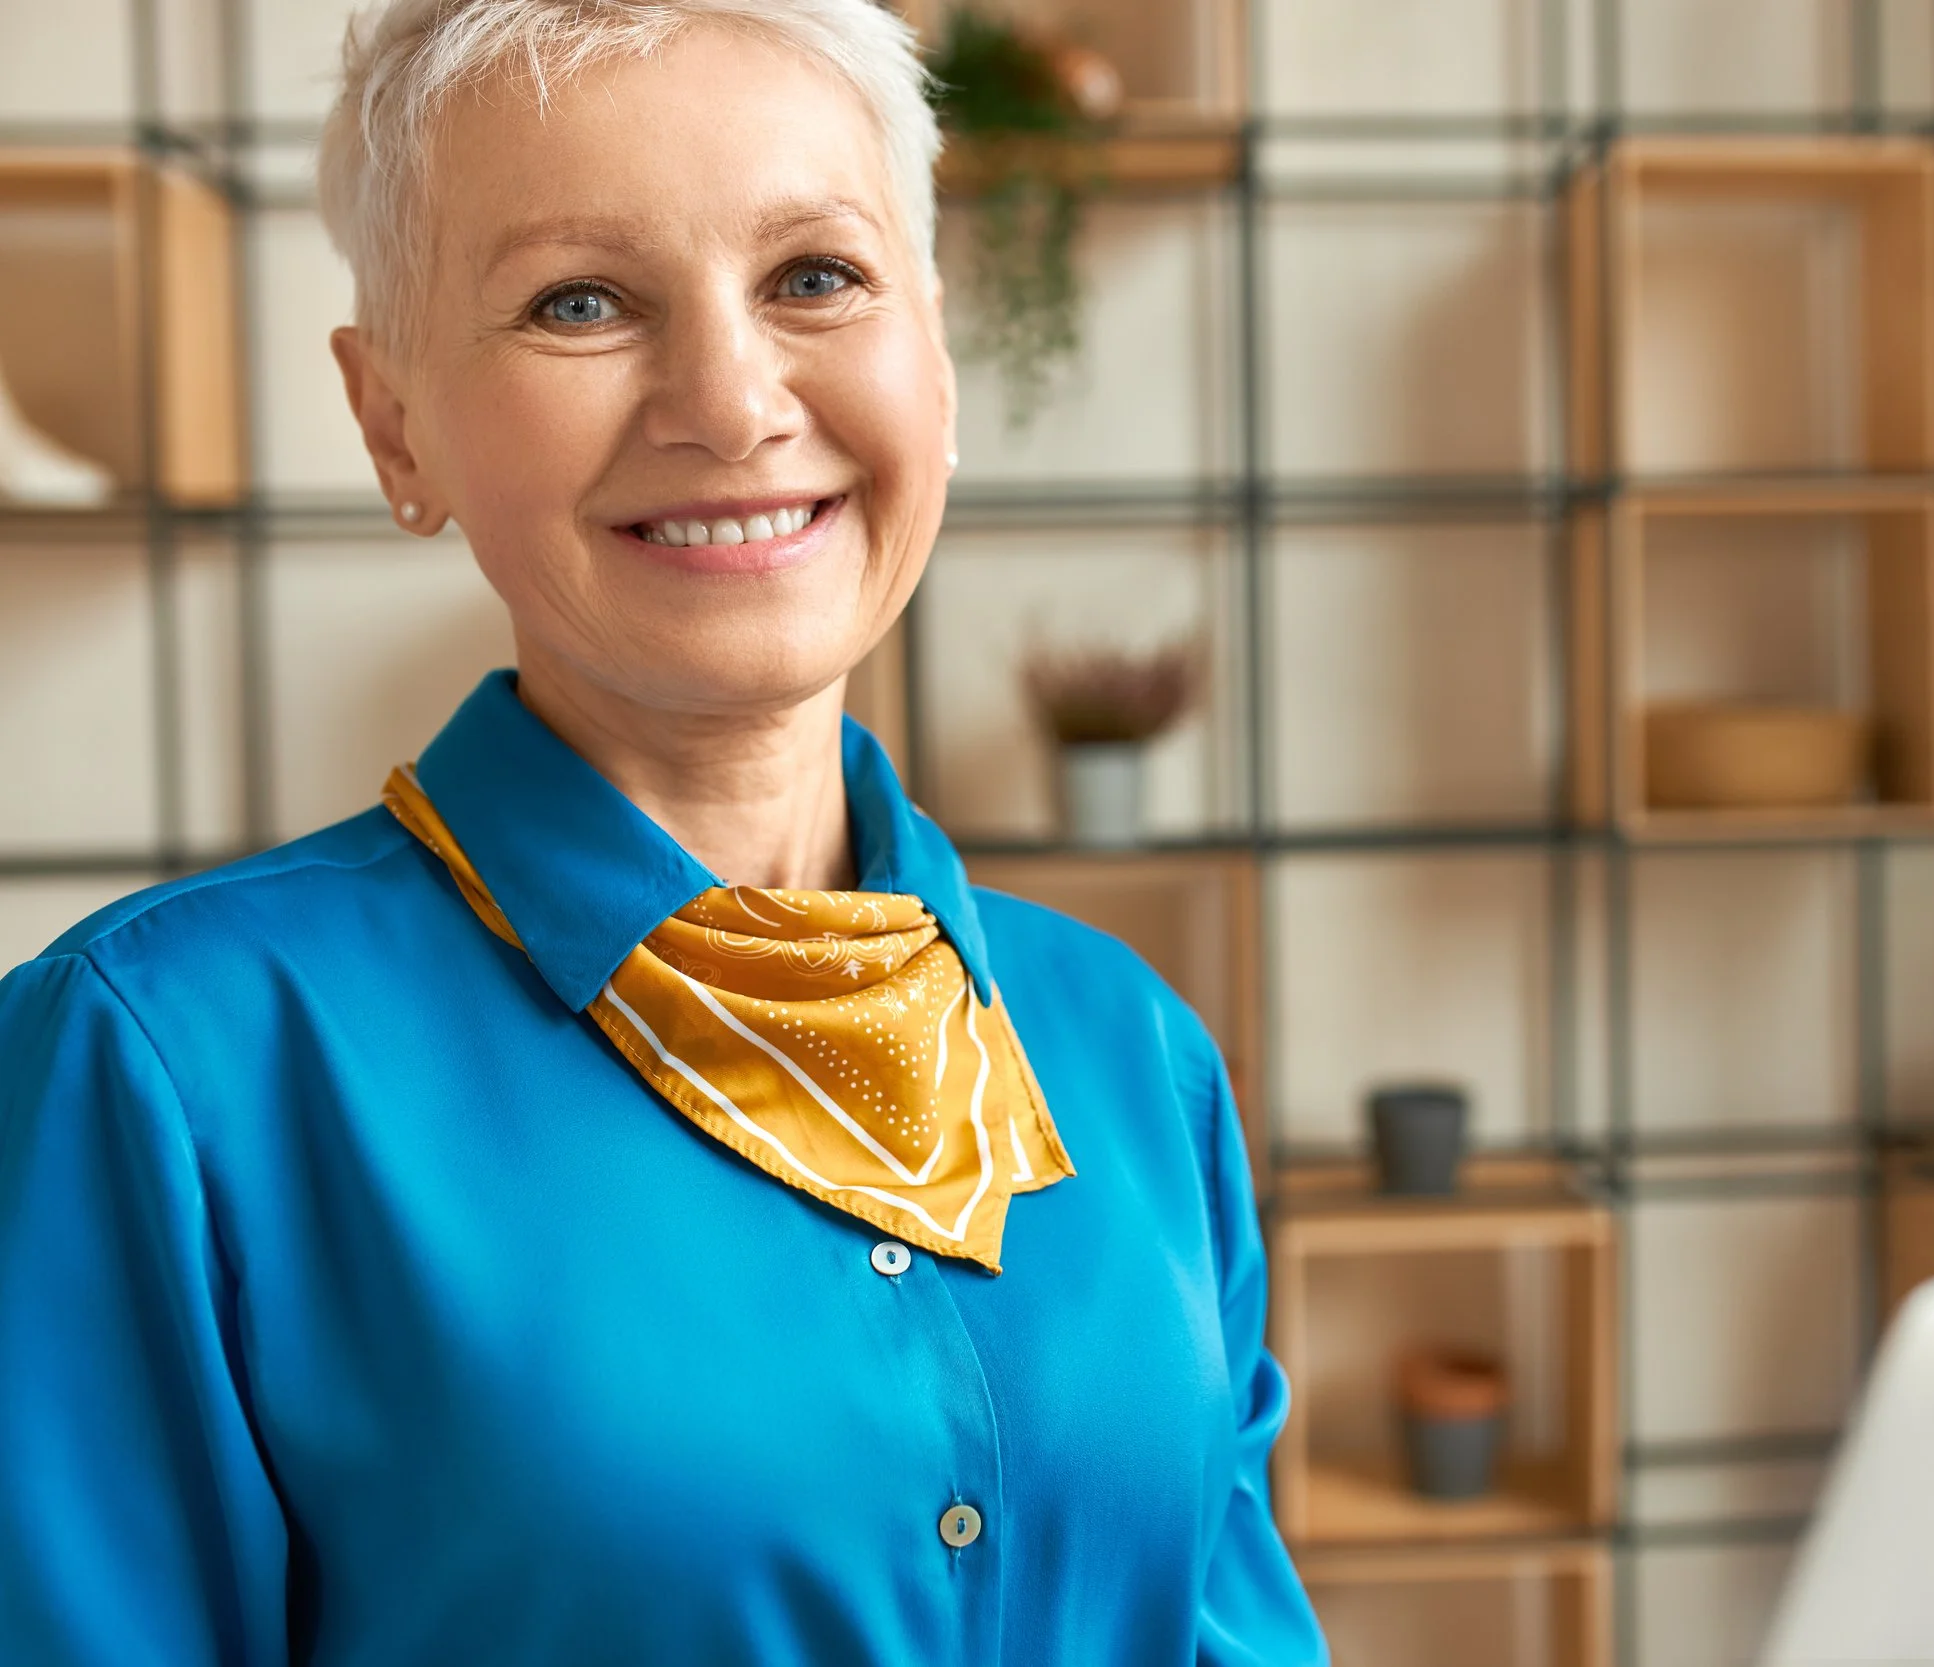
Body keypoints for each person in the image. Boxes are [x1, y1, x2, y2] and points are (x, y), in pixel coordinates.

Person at [0, 3, 1326, 1661]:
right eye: (580, 301)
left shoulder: (1132, 1049)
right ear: (393, 420)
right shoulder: (165, 1070)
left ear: (939, 348)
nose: (731, 399)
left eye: (817, 278)